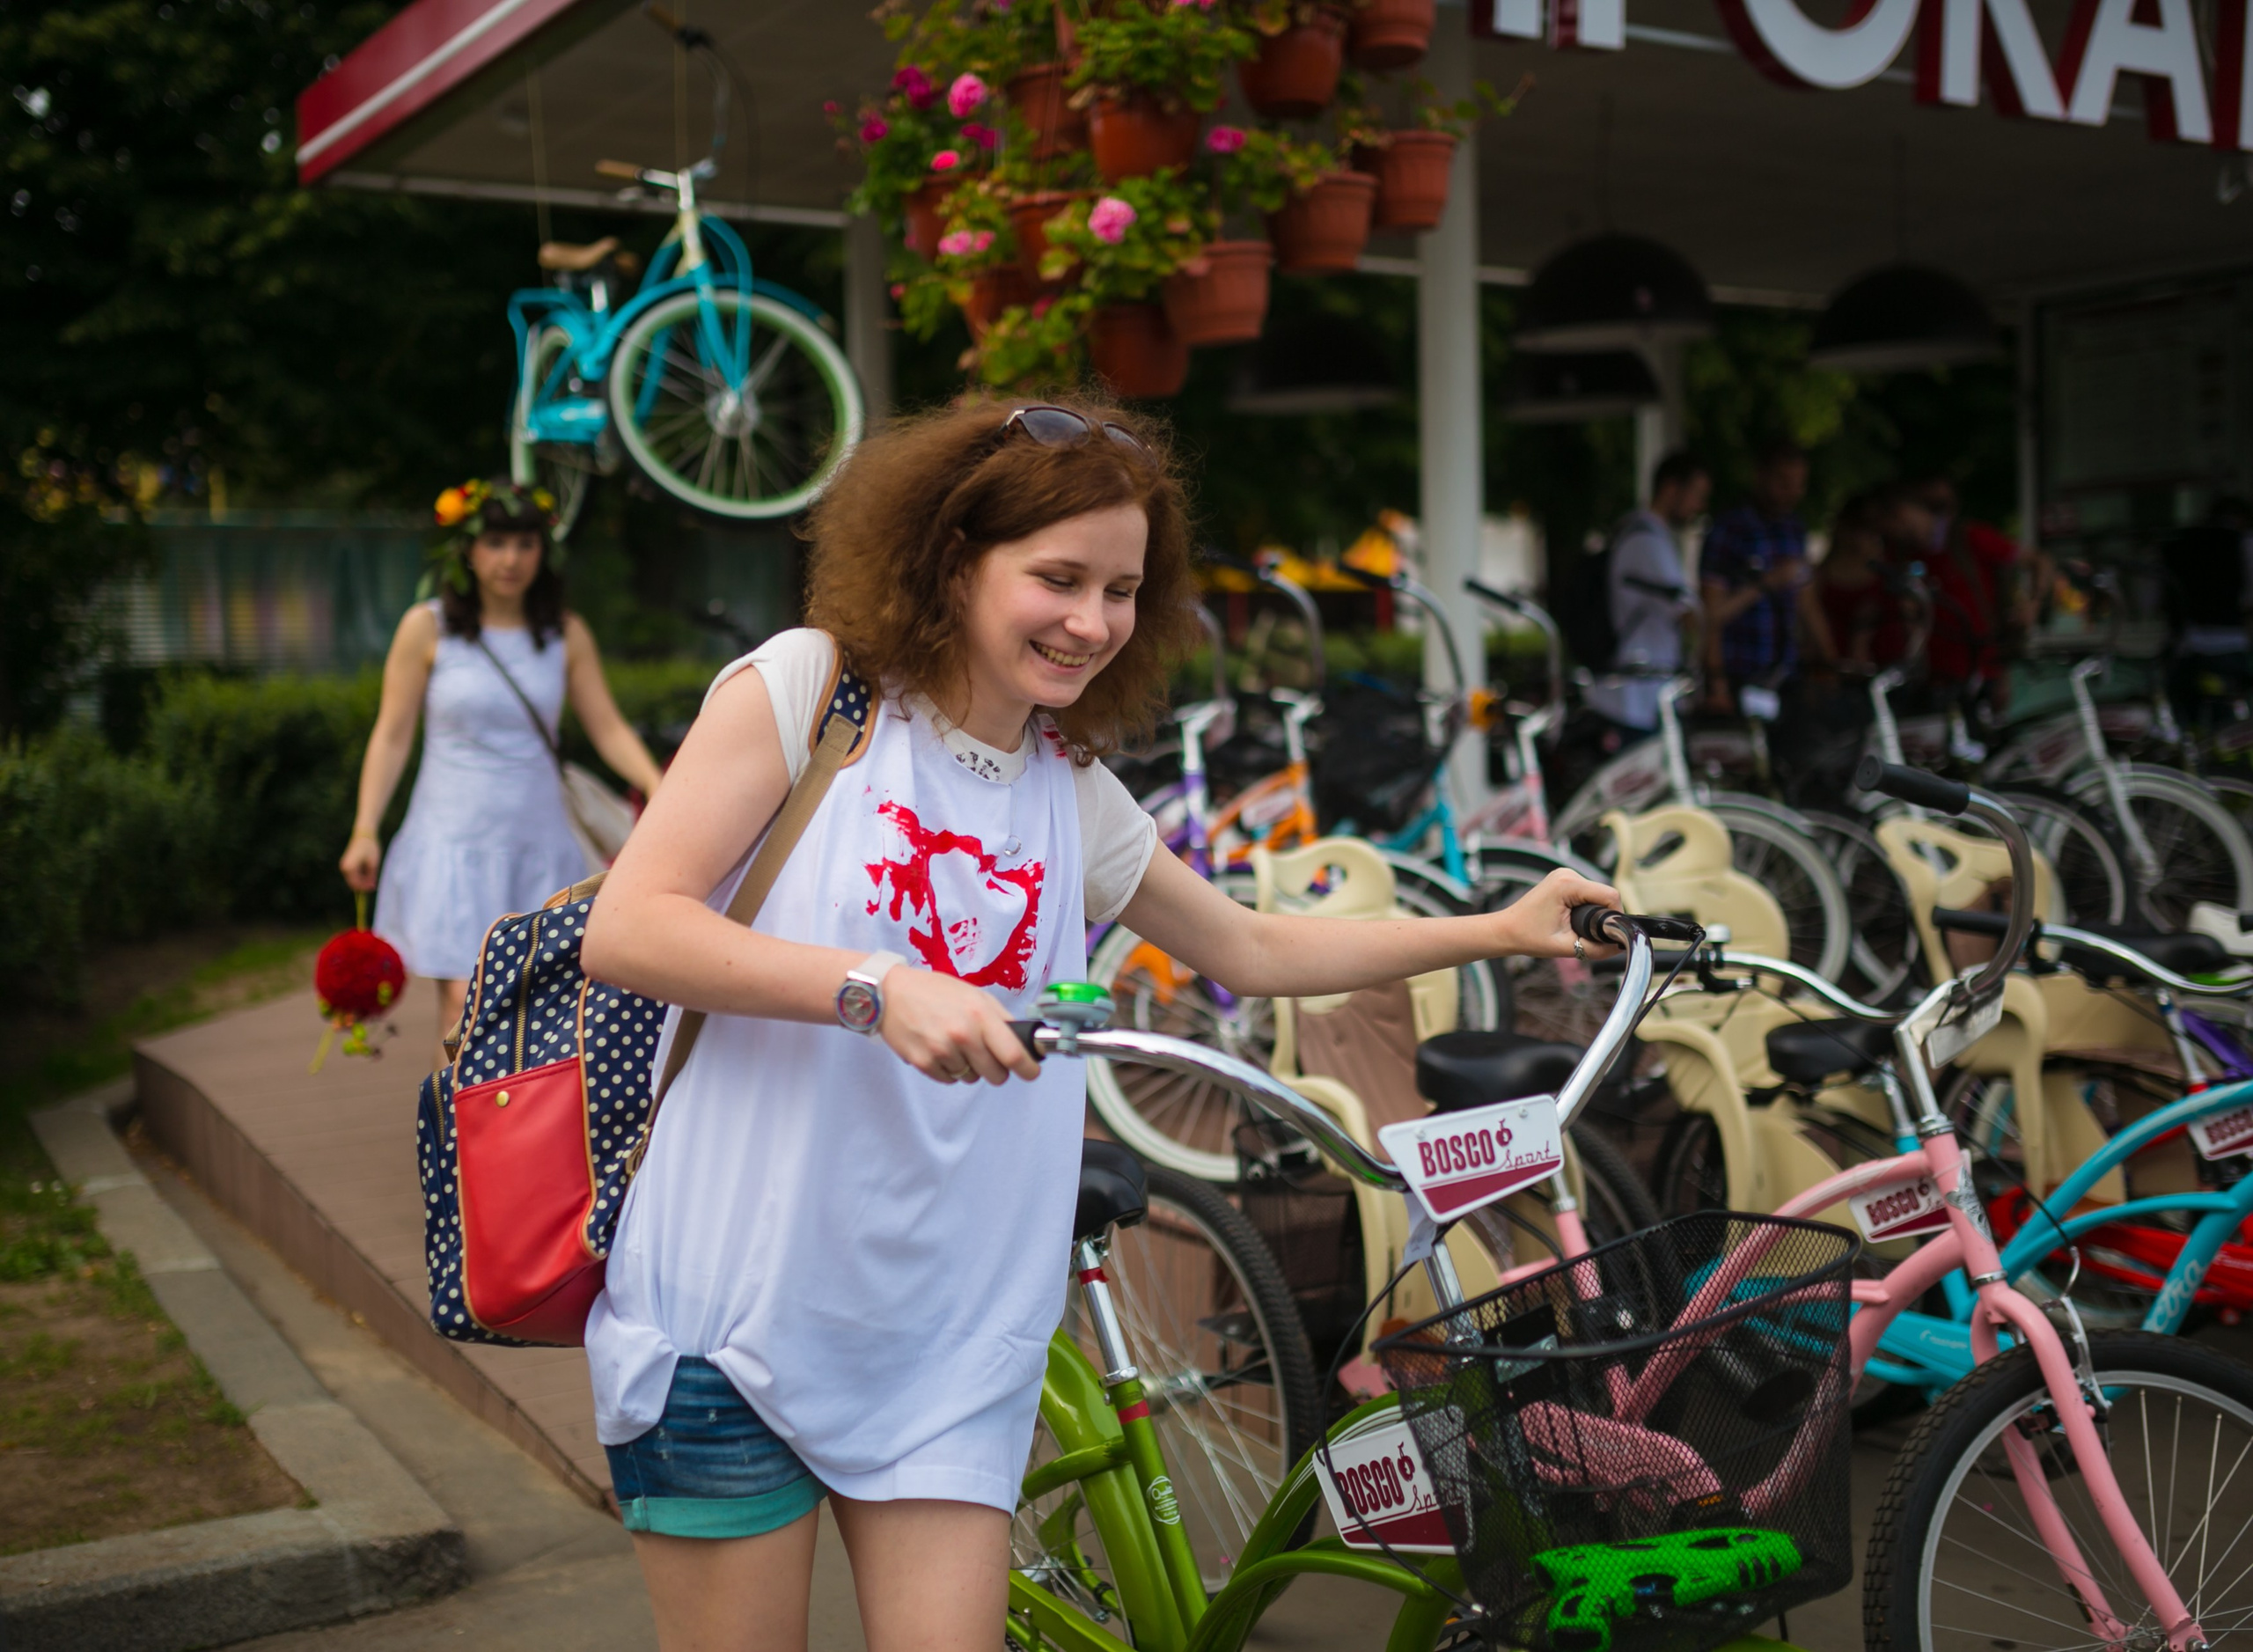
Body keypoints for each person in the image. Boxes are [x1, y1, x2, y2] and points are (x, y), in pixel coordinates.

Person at [575, 398, 1618, 1652]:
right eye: (1056, 577)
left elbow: (1254, 946)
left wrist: (1502, 929)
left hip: (952, 1338)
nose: (1091, 620)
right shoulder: (813, 695)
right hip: (728, 1316)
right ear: (954, 558)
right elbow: (631, 925)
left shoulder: (1073, 792)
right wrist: (877, 986)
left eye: (1121, 589)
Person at [341, 479, 665, 1048]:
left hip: (539, 845)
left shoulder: (565, 633)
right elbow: (392, 735)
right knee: (463, 1012)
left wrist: (658, 785)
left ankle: (519, 1135)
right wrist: (365, 827)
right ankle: (464, 1137)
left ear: (545, 551)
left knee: (544, 1016)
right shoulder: (428, 625)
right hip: (451, 844)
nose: (510, 558)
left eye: (525, 543)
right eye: (495, 542)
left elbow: (607, 725)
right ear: (467, 549)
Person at [1582, 450, 1707, 735]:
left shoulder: (1641, 534)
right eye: (1696, 494)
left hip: (1639, 690)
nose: (1699, 506)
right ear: (1671, 488)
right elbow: (1690, 616)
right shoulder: (1647, 542)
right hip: (1637, 694)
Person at [1699, 439, 1826, 710]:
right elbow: (1711, 614)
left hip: (1784, 674)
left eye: (1798, 483)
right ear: (1760, 476)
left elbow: (1807, 603)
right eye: (1783, 482)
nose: (1791, 492)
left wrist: (1830, 661)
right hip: (1739, 673)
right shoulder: (1730, 529)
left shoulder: (1794, 529)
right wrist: (1716, 683)